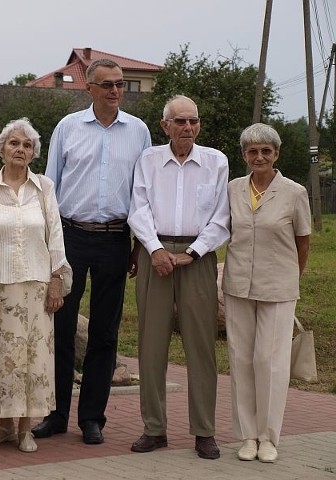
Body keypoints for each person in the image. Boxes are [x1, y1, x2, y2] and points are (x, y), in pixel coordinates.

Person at [34, 58, 151, 445]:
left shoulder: (138, 132)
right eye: (107, 85)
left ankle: (92, 418)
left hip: (115, 239)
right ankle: (56, 414)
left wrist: (138, 244)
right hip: (70, 236)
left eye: (120, 85)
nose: (116, 91)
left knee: (104, 331)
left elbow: (144, 192)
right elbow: (50, 188)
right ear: (90, 89)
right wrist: (50, 246)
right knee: (62, 327)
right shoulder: (68, 128)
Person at [127, 95, 230, 460]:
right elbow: (138, 208)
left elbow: (221, 217)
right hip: (155, 254)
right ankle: (154, 429)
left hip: (197, 257)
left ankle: (204, 431)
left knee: (201, 346)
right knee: (151, 344)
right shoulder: (149, 160)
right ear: (165, 125)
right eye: (181, 122)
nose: (188, 128)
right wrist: (154, 250)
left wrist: (193, 253)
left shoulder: (216, 162)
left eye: (194, 121)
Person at [0, 118, 71, 453]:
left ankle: (25, 429)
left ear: (34, 153)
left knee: (33, 357)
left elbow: (55, 236)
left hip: (36, 285)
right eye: (14, 143)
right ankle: (2, 426)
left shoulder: (44, 188)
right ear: (1, 148)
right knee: (0, 357)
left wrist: (58, 279)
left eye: (27, 145)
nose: (20, 149)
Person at [222, 123, 311, 463]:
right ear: (244, 155)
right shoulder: (232, 189)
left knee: (269, 362)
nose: (259, 157)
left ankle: (268, 437)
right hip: (238, 285)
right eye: (252, 151)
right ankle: (247, 436)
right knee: (241, 359)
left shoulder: (294, 192)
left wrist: (291, 277)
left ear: (276, 153)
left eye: (266, 151)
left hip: (278, 287)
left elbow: (303, 241)